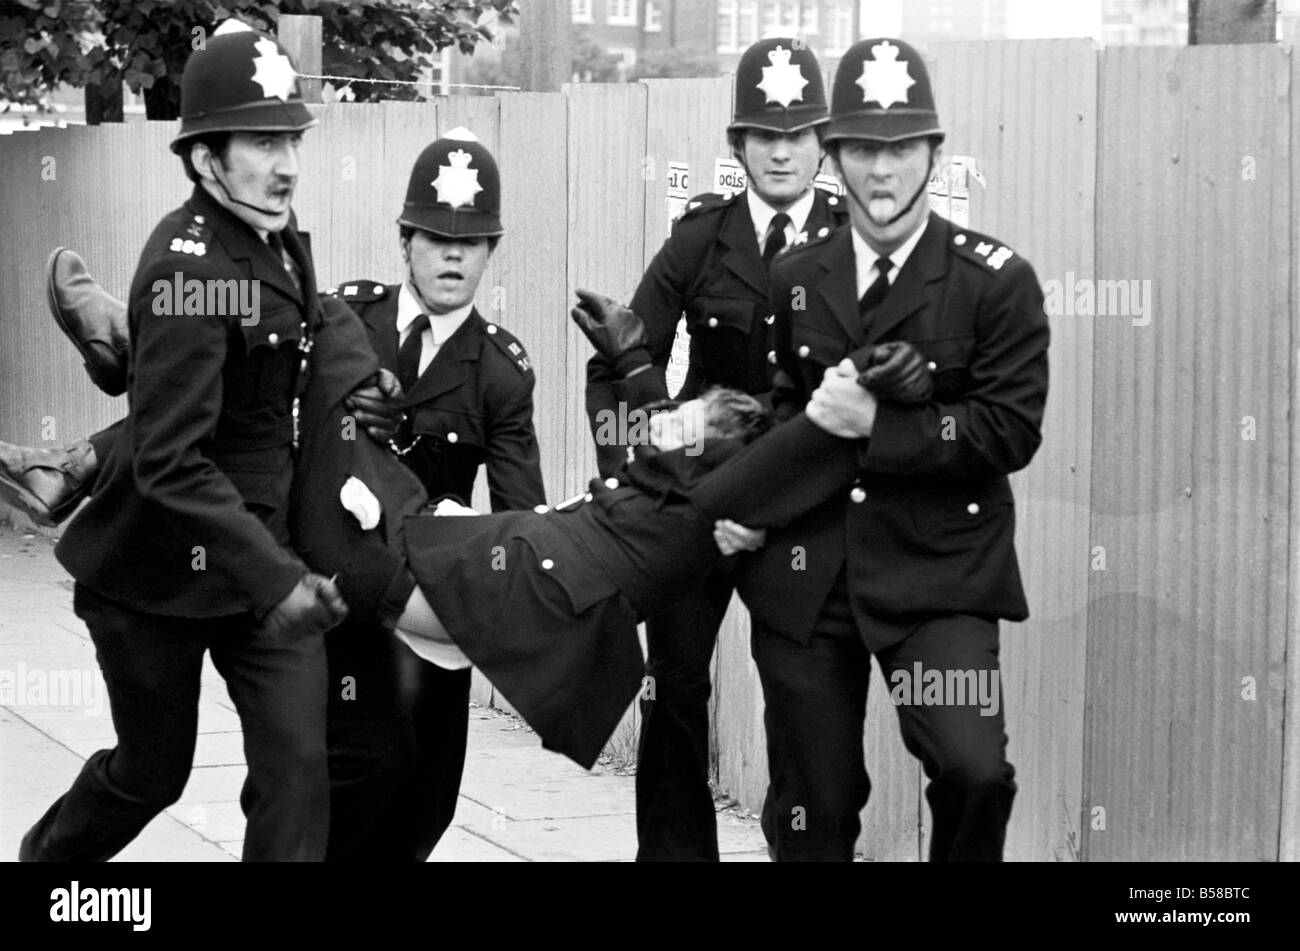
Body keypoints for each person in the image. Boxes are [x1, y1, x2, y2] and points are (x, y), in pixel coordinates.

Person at [288, 290, 936, 772]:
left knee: (359, 567)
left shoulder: (766, 469)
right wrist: (629, 361)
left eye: (852, 377)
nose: (835, 377)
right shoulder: (736, 438)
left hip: (549, 587)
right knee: (365, 533)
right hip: (536, 551)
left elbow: (717, 479)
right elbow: (664, 433)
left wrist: (835, 424)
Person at [18, 22, 353, 862]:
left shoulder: (272, 233)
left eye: (292, 139)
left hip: (258, 564)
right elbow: (170, 459)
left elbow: (306, 330)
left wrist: (368, 379)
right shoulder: (185, 268)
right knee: (150, 772)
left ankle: (110, 361)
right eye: (262, 142)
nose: (287, 163)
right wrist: (280, 580)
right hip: (156, 578)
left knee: (299, 768)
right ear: (206, 158)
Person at [736, 37, 1051, 862]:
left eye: (902, 148)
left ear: (934, 155)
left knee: (975, 770)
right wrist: (747, 508)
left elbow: (1010, 429)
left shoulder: (995, 281)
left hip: (939, 572)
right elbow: (784, 409)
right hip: (811, 576)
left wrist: (886, 427)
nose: (883, 171)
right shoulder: (796, 274)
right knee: (815, 805)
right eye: (865, 149)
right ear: (834, 156)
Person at [583, 36, 847, 862]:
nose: (780, 149)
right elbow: (622, 358)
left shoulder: (853, 244)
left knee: (801, 699)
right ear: (738, 144)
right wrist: (651, 471)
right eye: (763, 134)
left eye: (798, 133)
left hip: (800, 515)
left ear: (822, 143)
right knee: (674, 688)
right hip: (701, 508)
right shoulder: (702, 239)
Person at [325, 129, 545, 862]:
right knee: (366, 766)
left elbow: (519, 508)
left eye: (472, 242)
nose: (453, 256)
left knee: (430, 799)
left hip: (430, 604)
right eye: (437, 237)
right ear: (405, 240)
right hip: (340, 588)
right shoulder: (347, 322)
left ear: (492, 250)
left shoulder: (501, 371)